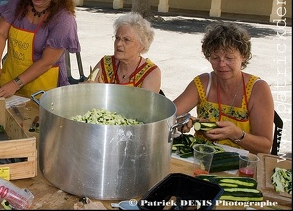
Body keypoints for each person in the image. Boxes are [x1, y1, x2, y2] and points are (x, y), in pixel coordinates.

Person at [174, 22, 274, 154]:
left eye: (229, 58)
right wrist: (184, 120)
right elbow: (168, 115)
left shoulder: (258, 89)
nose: (221, 64)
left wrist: (237, 134)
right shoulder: (203, 83)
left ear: (243, 57)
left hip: (243, 164)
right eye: (215, 57)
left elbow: (265, 146)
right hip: (202, 156)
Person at [0, 0, 81, 98]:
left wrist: (15, 84)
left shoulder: (64, 19)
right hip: (11, 77)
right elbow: (1, 32)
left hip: (45, 88)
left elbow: (46, 62)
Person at [86, 12, 161, 93]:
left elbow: (145, 105)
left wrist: (103, 93)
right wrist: (85, 87)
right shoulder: (106, 63)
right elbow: (86, 89)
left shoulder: (151, 73)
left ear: (141, 46)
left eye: (126, 40)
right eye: (117, 38)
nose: (118, 44)